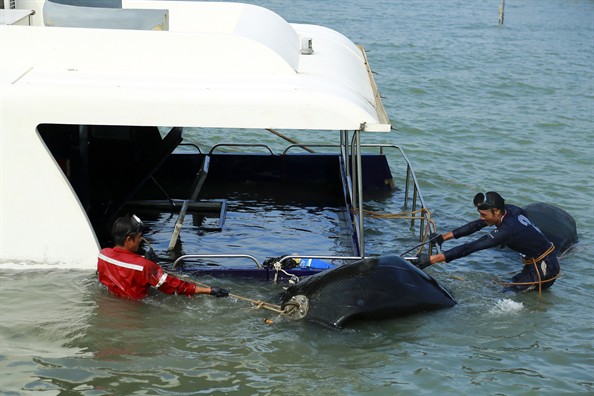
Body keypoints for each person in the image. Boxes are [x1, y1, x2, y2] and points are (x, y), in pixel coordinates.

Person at [415, 191, 560, 293]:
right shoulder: (510, 210)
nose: (481, 217)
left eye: (483, 214)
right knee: (511, 287)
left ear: (496, 211)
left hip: (545, 267)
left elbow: (472, 247)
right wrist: (443, 238)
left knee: (507, 294)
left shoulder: (507, 230)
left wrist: (433, 259)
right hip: (538, 259)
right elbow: (476, 225)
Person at [97, 214, 230, 300]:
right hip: (137, 308)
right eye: (139, 237)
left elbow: (122, 267)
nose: (141, 240)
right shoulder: (144, 266)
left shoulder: (103, 255)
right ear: (128, 239)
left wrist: (146, 261)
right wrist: (209, 290)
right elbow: (174, 286)